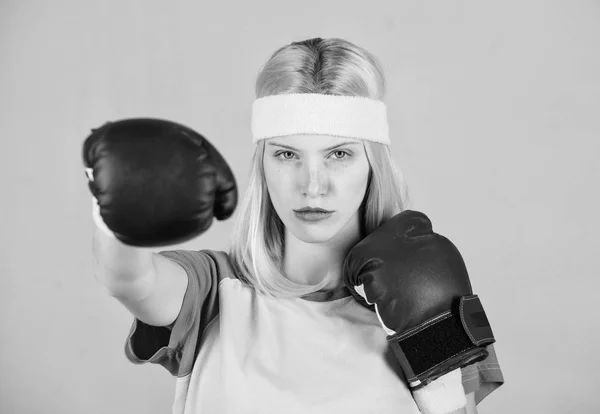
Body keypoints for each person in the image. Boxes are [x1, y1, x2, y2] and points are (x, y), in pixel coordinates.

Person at [84, 37, 504, 414]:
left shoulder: (424, 288)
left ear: (372, 165)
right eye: (287, 155)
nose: (312, 186)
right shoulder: (212, 291)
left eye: (339, 155)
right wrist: (113, 208)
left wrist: (434, 347)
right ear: (262, 166)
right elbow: (127, 280)